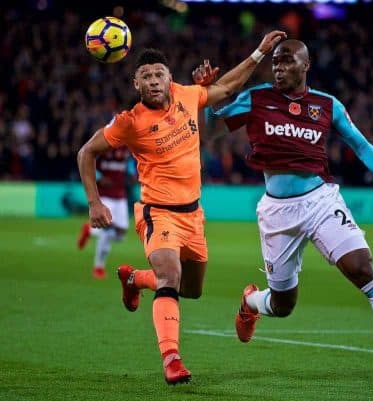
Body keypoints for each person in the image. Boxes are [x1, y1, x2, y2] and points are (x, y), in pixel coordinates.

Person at [194, 39, 373, 384]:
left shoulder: (327, 106)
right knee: (283, 305)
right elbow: (208, 134)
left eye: (286, 62)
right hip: (277, 212)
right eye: (276, 63)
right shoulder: (258, 98)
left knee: (362, 267)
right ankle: (251, 303)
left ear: (306, 65)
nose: (278, 68)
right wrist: (206, 96)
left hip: (321, 201)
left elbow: (360, 143)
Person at [76, 30, 287, 385]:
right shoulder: (129, 121)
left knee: (191, 290)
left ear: (169, 78)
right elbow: (86, 153)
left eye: (159, 74)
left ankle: (134, 279)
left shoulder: (185, 96)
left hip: (194, 215)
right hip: (158, 213)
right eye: (146, 76)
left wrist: (259, 53)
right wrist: (94, 202)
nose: (154, 81)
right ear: (136, 84)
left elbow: (225, 89)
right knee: (170, 278)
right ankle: (172, 360)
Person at [76, 147, 135, 279]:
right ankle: (98, 267)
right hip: (105, 196)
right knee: (106, 230)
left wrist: (132, 174)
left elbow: (129, 164)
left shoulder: (126, 148)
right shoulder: (104, 146)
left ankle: (90, 231)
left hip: (120, 195)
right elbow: (87, 161)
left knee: (121, 234)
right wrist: (99, 177)